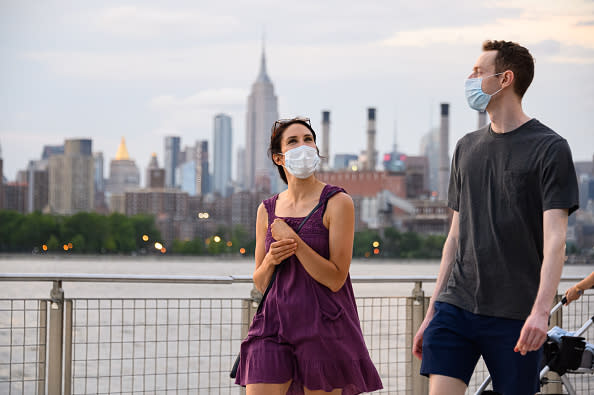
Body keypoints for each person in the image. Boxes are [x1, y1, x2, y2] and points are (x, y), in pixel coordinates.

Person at [412, 40, 580, 395]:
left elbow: (555, 240)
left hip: (514, 313)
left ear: (505, 78)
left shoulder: (550, 148)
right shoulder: (466, 147)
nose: (470, 78)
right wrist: (432, 312)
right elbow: (455, 238)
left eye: (478, 71)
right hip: (455, 306)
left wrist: (540, 313)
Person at [234, 117, 383, 395]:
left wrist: (295, 243)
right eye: (293, 141)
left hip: (323, 326)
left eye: (308, 139)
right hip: (272, 325)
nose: (303, 146)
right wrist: (270, 260)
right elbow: (260, 281)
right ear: (279, 158)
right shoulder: (266, 210)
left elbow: (336, 278)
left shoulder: (338, 203)